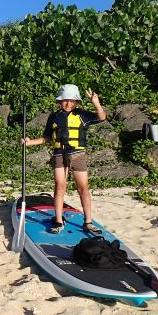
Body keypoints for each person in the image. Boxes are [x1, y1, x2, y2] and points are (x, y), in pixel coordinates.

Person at [21, 84, 107, 232]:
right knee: (59, 186)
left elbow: (102, 117)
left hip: (77, 155)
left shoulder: (82, 115)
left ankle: (88, 222)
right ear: (59, 101)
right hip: (59, 155)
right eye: (65, 100)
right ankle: (59, 221)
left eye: (72, 100)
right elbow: (46, 137)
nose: (68, 103)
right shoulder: (54, 116)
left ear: (77, 102)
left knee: (83, 188)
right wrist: (29, 142)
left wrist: (96, 103)